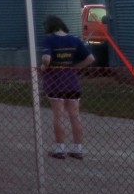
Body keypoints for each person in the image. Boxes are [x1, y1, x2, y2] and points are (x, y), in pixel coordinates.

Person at [41, 15, 95, 160]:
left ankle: (60, 149)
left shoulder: (49, 39)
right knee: (74, 116)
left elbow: (46, 59)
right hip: (72, 81)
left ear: (49, 27)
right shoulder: (75, 39)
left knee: (58, 115)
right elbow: (90, 59)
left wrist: (44, 67)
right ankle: (78, 148)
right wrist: (75, 67)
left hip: (55, 81)